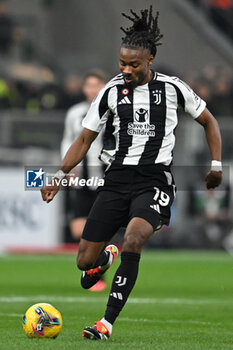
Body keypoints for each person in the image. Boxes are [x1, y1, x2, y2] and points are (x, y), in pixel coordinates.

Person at [41, 6, 222, 340]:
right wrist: (58, 174)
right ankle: (106, 255)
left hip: (154, 182)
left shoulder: (173, 89)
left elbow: (209, 121)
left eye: (133, 64)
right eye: (121, 63)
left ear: (149, 60)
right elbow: (84, 139)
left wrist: (216, 165)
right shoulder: (110, 92)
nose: (125, 69)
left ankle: (105, 323)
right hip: (116, 181)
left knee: (135, 239)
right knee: (84, 263)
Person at [61, 70, 107, 291]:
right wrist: (68, 168)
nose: (92, 89)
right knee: (78, 230)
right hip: (82, 178)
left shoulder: (113, 110)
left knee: (98, 227)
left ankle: (97, 274)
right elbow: (68, 141)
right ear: (84, 88)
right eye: (89, 85)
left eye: (97, 85)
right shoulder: (74, 113)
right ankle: (101, 261)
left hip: (105, 177)